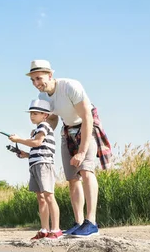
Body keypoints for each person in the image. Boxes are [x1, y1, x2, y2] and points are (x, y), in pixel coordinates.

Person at [25, 60, 112, 237]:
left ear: (50, 75)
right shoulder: (43, 98)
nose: (36, 84)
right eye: (33, 80)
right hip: (67, 129)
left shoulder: (70, 86)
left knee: (86, 170)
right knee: (72, 178)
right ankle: (79, 222)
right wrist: (42, 136)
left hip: (86, 125)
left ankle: (91, 222)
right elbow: (53, 119)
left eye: (39, 78)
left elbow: (87, 117)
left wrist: (81, 151)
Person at [9, 99, 62, 240]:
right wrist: (26, 154)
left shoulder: (44, 126)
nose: (32, 116)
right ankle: (44, 229)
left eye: (35, 113)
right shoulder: (36, 130)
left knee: (49, 196)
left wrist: (18, 140)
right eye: (31, 113)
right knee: (41, 198)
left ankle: (56, 230)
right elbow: (38, 148)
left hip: (44, 165)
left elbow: (37, 142)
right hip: (35, 165)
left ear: (44, 115)